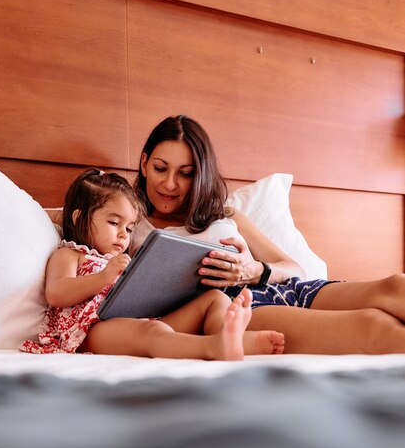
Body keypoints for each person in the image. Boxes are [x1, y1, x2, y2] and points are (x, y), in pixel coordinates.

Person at [132, 114, 405, 355]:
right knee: (373, 326)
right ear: (144, 164)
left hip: (284, 289)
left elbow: (293, 267)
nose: (169, 183)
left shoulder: (225, 215)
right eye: (160, 168)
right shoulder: (127, 225)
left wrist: (254, 270)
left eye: (185, 173)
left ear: (200, 176)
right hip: (237, 308)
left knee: (396, 286)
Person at [22, 168, 285, 360]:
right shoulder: (70, 254)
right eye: (114, 223)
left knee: (214, 299)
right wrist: (102, 278)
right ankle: (211, 347)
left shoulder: (120, 259)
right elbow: (56, 294)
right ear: (79, 219)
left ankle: (231, 337)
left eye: (129, 226)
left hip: (137, 320)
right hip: (89, 331)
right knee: (153, 331)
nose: (124, 234)